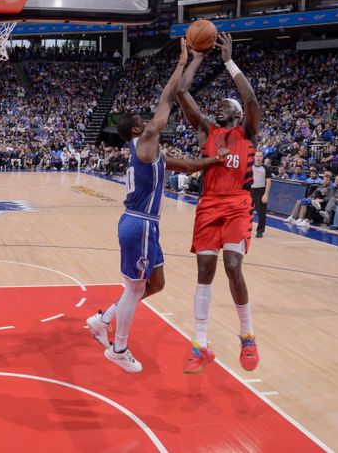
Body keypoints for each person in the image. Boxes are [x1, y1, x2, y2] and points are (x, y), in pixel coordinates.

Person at [85, 40, 229, 373]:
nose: (149, 118)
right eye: (142, 118)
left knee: (156, 284)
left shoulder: (154, 155)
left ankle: (102, 319)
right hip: (139, 223)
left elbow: (189, 165)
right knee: (135, 287)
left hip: (146, 225)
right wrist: (182, 63)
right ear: (137, 129)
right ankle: (118, 349)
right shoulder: (146, 141)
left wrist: (214, 160)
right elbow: (168, 98)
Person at [175, 32, 261, 374]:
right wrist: (195, 58)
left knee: (232, 266)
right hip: (208, 205)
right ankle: (200, 344)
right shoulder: (206, 132)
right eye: (220, 104)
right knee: (205, 272)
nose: (221, 105)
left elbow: (251, 97)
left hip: (238, 204)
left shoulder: (247, 133)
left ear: (238, 115)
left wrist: (227, 61)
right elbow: (182, 92)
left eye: (229, 104)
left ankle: (247, 335)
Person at [251, 152, 272, 238]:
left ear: (262, 158)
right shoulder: (250, 167)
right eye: (257, 156)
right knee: (245, 211)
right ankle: (244, 229)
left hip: (261, 191)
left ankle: (260, 231)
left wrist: (266, 194)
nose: (258, 158)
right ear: (254, 157)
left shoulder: (265, 168)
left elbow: (269, 182)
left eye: (260, 156)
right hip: (250, 190)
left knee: (261, 212)